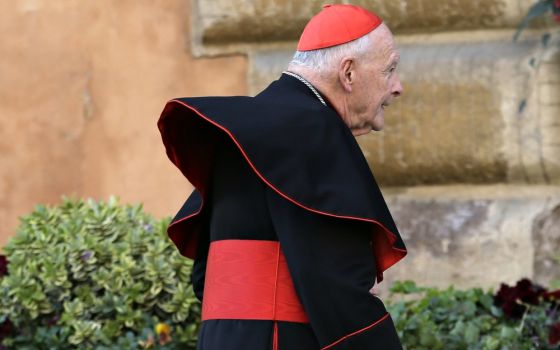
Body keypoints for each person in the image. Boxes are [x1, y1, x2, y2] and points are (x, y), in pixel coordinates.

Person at [158, 4, 407, 349]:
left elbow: (206, 279)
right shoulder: (312, 129)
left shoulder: (250, 133)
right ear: (348, 73)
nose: (398, 87)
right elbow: (336, 290)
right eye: (389, 69)